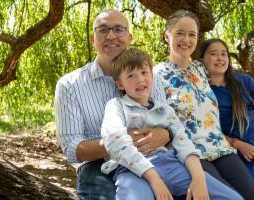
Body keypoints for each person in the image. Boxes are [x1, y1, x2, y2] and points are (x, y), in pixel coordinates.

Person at [54, 9, 171, 199]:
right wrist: (120, 142)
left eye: (118, 29)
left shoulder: (152, 78)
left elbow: (168, 122)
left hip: (154, 155)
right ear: (93, 39)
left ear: (130, 37)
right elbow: (72, 148)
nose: (110, 36)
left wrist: (165, 134)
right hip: (99, 166)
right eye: (102, 30)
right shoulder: (69, 85)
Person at [101, 48, 244, 200]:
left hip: (170, 163)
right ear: (120, 84)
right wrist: (154, 178)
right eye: (131, 76)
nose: (140, 80)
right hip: (132, 168)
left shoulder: (165, 110)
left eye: (144, 73)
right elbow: (116, 143)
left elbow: (183, 142)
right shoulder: (116, 106)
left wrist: (198, 178)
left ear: (152, 75)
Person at [154, 9, 254, 200]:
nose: (186, 40)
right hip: (191, 154)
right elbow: (159, 119)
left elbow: (223, 68)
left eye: (192, 35)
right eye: (180, 33)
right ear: (167, 36)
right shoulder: (157, 75)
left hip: (220, 147)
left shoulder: (201, 68)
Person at [199, 38, 254, 200]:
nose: (220, 58)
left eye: (224, 54)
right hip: (245, 149)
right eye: (213, 54)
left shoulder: (243, 80)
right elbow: (208, 131)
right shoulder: (201, 93)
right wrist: (237, 144)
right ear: (202, 60)